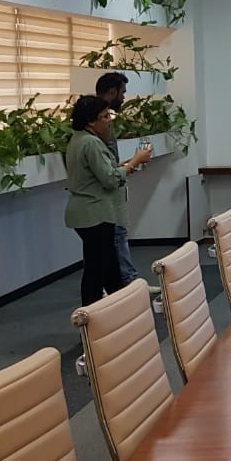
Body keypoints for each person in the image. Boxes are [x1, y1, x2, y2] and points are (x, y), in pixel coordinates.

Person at [65, 95, 153, 305]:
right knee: (97, 270)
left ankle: (117, 310)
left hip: (87, 212)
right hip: (95, 213)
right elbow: (110, 179)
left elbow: (100, 172)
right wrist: (134, 162)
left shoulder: (77, 139)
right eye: (104, 117)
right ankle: (92, 314)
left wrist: (125, 166)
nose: (109, 121)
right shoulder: (91, 143)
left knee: (108, 267)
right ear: (90, 121)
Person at [95, 72, 160, 295]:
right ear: (112, 92)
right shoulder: (94, 127)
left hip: (114, 189)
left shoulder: (104, 121)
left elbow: (107, 162)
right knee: (112, 239)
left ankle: (125, 281)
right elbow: (102, 168)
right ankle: (118, 285)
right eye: (122, 93)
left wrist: (127, 164)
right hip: (103, 196)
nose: (124, 97)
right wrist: (133, 163)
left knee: (118, 235)